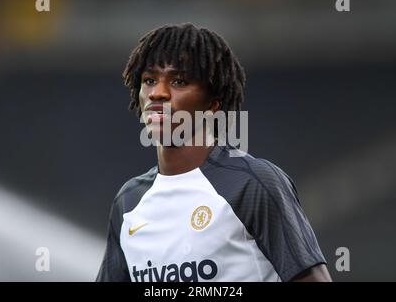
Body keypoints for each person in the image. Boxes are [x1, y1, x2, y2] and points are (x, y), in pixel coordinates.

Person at [96, 23, 331, 282]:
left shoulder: (252, 183)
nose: (158, 93)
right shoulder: (129, 202)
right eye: (149, 80)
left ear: (212, 104)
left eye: (179, 81)